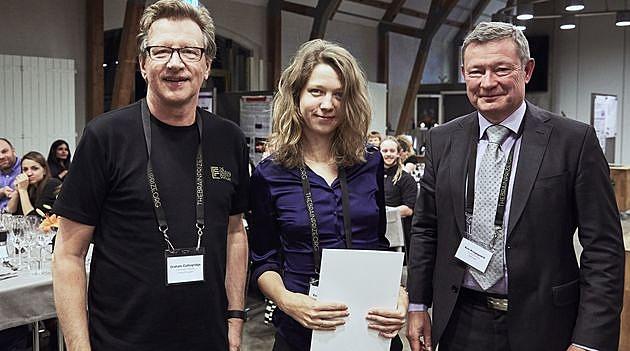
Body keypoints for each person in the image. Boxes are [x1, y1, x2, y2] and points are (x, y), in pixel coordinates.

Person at [406, 22, 624, 351]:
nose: (488, 82)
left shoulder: (573, 141)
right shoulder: (442, 139)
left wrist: (590, 340)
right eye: (476, 71)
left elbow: (603, 249)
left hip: (545, 324)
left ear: (527, 70)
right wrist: (418, 304)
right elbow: (426, 228)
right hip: (460, 321)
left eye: (501, 69)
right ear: (464, 73)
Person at [51, 1, 249, 350]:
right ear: (143, 64)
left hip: (209, 340)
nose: (176, 63)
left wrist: (235, 319)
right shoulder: (105, 136)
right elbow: (68, 252)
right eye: (161, 51)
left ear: (205, 64)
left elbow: (235, 233)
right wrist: (79, 346)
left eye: (189, 51)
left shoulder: (229, 138)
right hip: (121, 341)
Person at [249, 39, 408, 351]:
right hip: (301, 330)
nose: (327, 104)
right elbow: (263, 260)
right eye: (317, 91)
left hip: (369, 327)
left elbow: (379, 244)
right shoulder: (270, 173)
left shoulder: (370, 161)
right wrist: (288, 301)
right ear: (297, 96)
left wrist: (400, 294)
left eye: (339, 94)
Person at [380, 136, 417, 263]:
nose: (388, 154)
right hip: (376, 235)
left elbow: (408, 209)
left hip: (398, 236)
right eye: (384, 151)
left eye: (392, 151)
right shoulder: (372, 176)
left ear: (398, 153)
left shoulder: (406, 179)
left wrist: (383, 212)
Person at [6, 151, 61, 216]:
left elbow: (33, 219)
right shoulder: (27, 186)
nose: (29, 173)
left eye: (35, 168)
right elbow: (10, 213)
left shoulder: (53, 184)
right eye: (25, 169)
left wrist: (23, 191)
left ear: (44, 170)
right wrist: (17, 192)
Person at [0, 138, 21, 212]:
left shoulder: (27, 168)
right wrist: (1, 192)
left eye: (4, 151)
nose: (1, 157)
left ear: (13, 150)